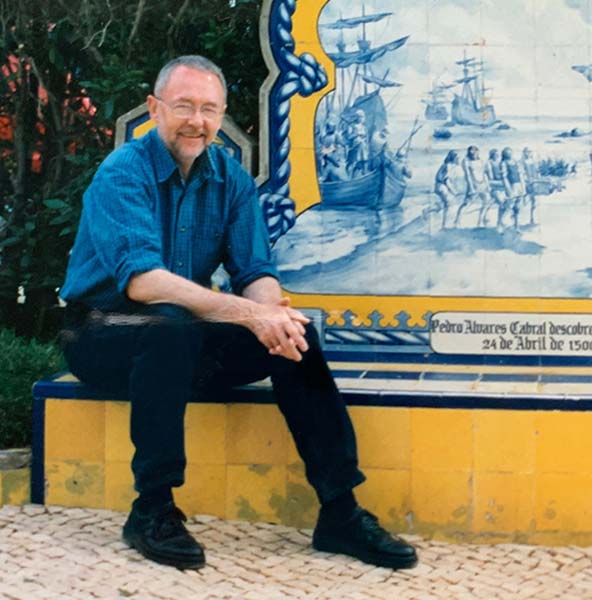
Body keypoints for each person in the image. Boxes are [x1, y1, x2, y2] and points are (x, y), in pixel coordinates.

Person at [59, 55, 417, 571]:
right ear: (155, 108)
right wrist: (249, 316)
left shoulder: (231, 180)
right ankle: (152, 508)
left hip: (176, 337)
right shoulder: (123, 173)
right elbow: (143, 282)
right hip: (99, 334)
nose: (197, 121)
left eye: (209, 109)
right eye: (183, 106)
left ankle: (339, 510)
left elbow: (254, 270)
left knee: (298, 336)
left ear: (222, 113)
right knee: (169, 326)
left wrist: (272, 317)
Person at [455, 145, 490, 227]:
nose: (474, 154)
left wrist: (487, 184)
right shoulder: (466, 161)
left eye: (475, 152)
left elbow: (484, 173)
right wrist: (471, 187)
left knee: (486, 202)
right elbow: (468, 175)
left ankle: (480, 222)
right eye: (472, 152)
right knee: (467, 203)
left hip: (483, 184)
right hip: (474, 185)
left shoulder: (481, 161)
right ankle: (457, 221)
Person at [429, 149, 460, 229]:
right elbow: (446, 180)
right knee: (448, 204)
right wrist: (453, 191)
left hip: (440, 186)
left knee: (444, 204)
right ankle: (444, 224)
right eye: (457, 158)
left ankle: (429, 211)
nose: (459, 159)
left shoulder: (449, 165)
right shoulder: (448, 166)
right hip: (442, 186)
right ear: (453, 158)